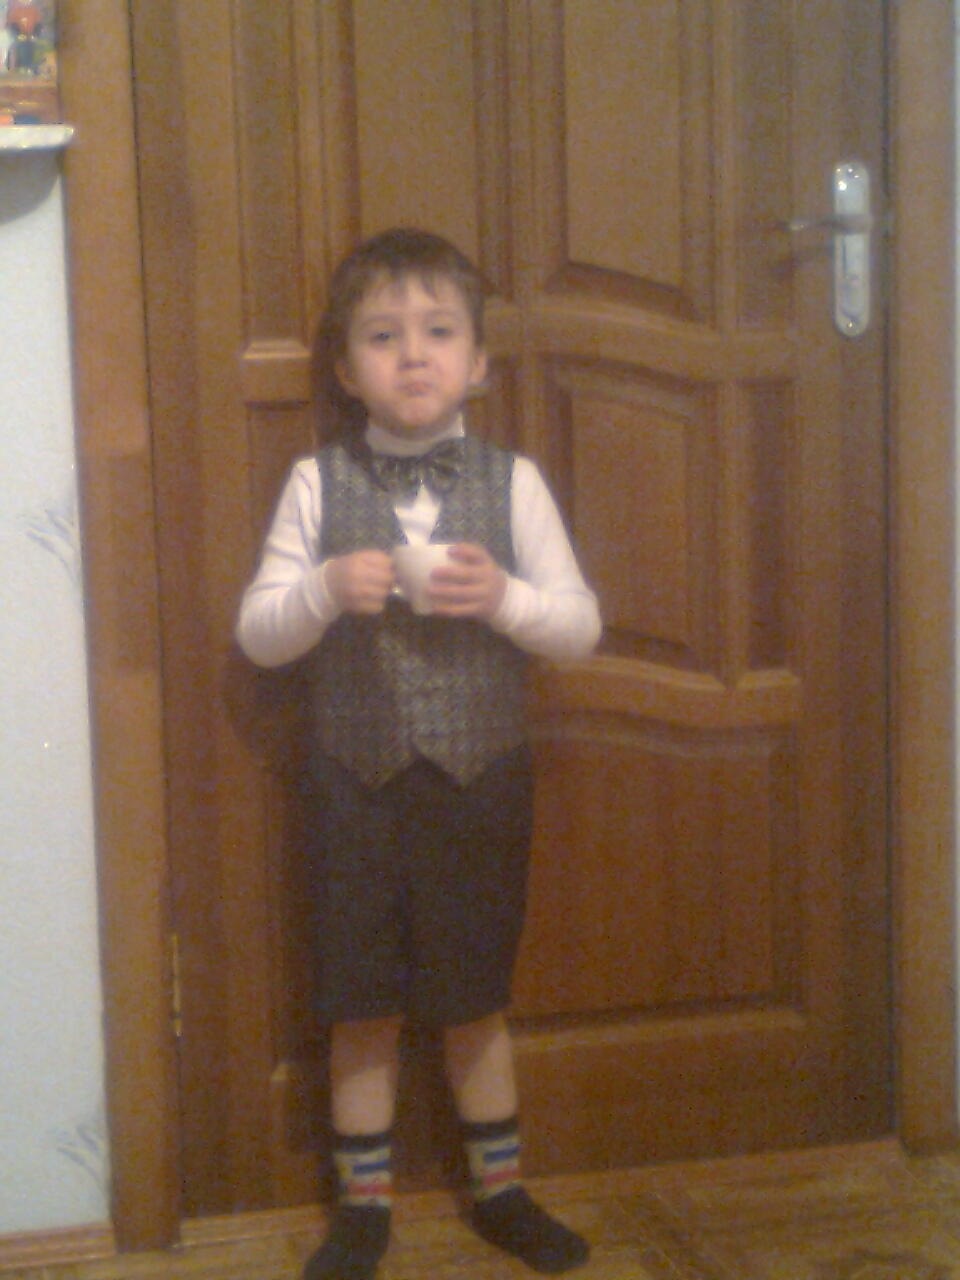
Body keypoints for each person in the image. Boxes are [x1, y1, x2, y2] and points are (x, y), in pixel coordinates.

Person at [236, 227, 601, 1280]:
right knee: (361, 1001)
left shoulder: (514, 481)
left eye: (438, 332)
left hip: (483, 782)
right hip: (351, 786)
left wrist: (506, 598)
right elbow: (258, 633)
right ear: (346, 370)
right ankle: (362, 1211)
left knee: (475, 995)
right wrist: (321, 590)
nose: (412, 355)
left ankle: (502, 1191)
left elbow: (579, 626)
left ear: (478, 362)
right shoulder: (315, 483)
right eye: (384, 335)